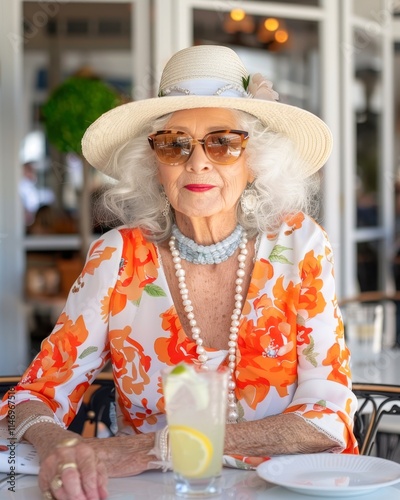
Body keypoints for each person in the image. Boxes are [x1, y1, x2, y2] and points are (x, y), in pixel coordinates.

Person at [1, 45, 358, 500]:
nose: (197, 162)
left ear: (254, 164)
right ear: (154, 164)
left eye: (224, 142)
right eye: (174, 144)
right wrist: (58, 444)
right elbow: (28, 399)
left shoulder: (299, 244)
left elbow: (327, 417)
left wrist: (155, 448)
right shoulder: (116, 257)